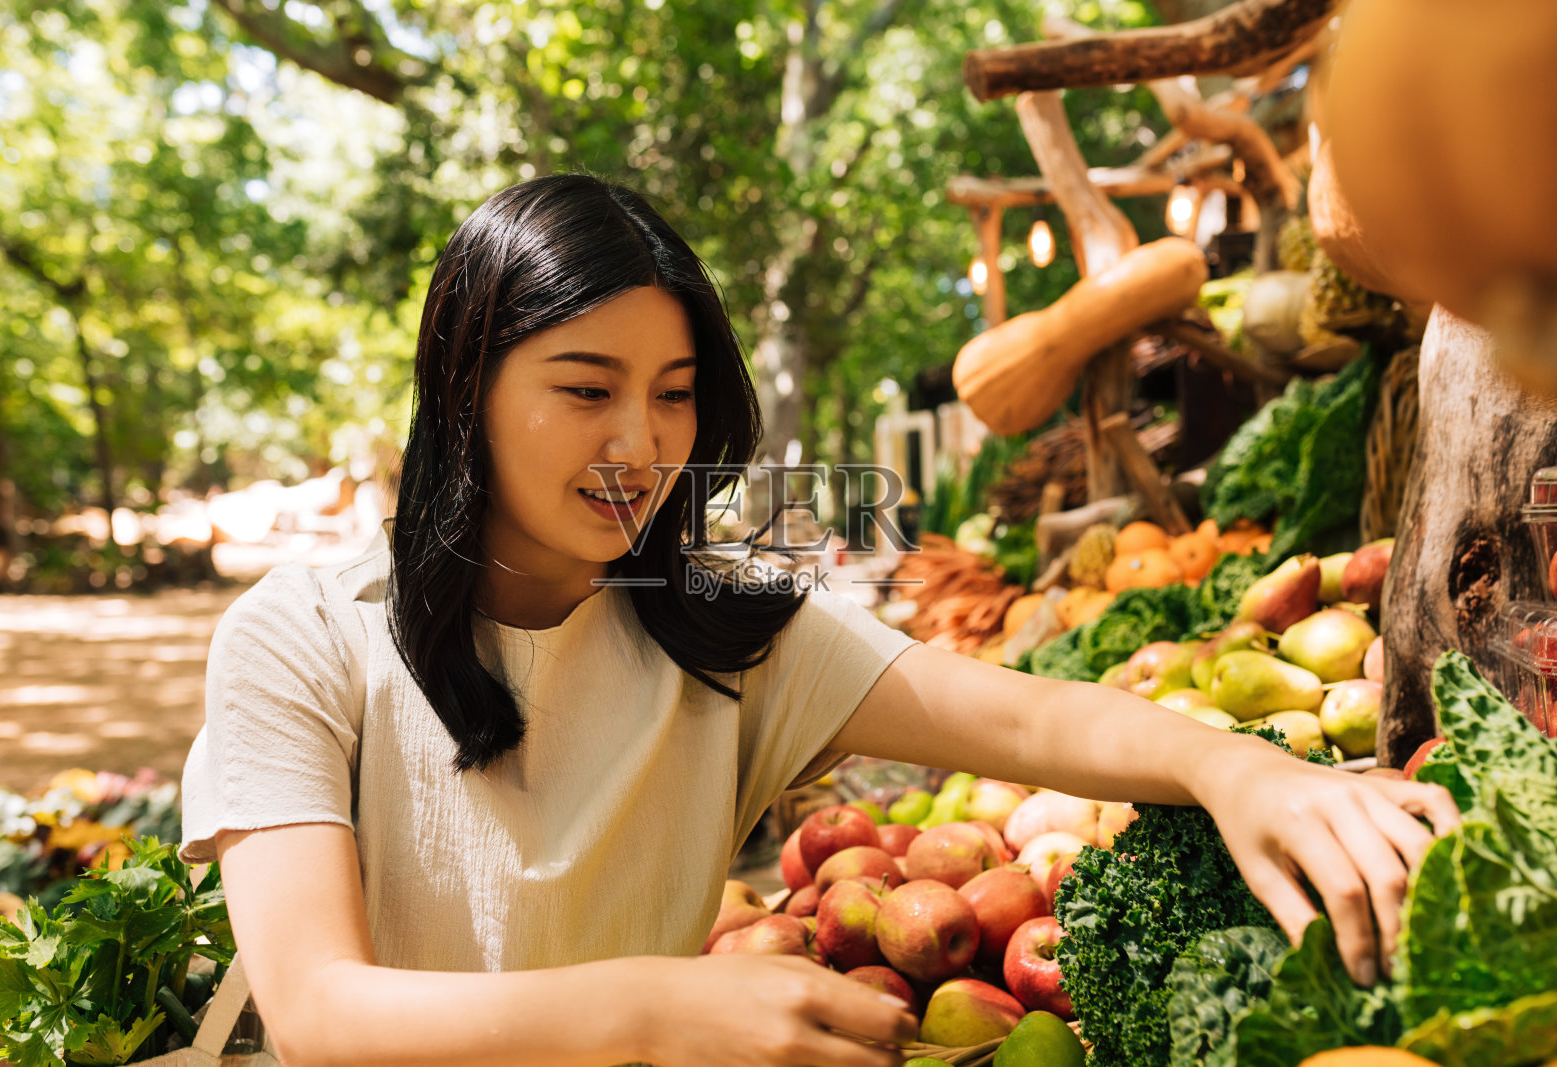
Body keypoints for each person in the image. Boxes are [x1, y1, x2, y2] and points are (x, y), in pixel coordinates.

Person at [179, 174, 1459, 1067]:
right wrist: (666, 1008)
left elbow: (1014, 709)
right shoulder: (301, 639)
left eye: (675, 394)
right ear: (464, 386)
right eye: (585, 387)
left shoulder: (717, 629)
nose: (642, 443)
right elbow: (321, 1012)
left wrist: (1237, 764)